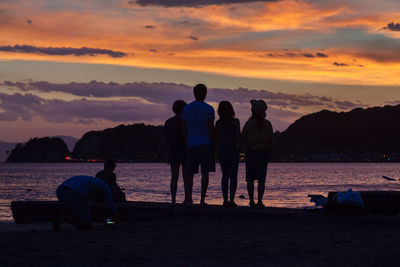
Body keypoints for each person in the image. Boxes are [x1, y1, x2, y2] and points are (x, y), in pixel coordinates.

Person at [182, 83, 216, 207]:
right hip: (206, 142)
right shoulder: (209, 108)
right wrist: (213, 143)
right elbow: (211, 128)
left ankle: (188, 199)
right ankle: (202, 200)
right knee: (205, 172)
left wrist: (186, 141)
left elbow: (185, 128)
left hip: (191, 143)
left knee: (189, 173)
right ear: (205, 93)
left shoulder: (187, 108)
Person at [54, 175, 119, 231]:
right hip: (73, 193)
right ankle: (65, 218)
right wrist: (115, 221)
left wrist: (107, 220)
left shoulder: (93, 184)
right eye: (101, 200)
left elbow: (87, 208)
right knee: (87, 225)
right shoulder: (105, 187)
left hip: (60, 191)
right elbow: (112, 206)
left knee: (81, 218)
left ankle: (63, 219)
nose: (98, 203)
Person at [242, 99, 273, 208]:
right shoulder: (268, 124)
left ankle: (251, 201)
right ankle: (259, 201)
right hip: (263, 153)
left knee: (250, 179)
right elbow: (271, 140)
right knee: (261, 179)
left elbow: (243, 137)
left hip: (251, 152)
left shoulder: (249, 123)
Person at [215, 101, 240, 207]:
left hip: (222, 150)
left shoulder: (218, 123)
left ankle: (225, 200)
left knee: (225, 176)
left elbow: (216, 137)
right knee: (233, 176)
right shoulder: (236, 121)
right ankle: (232, 200)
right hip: (233, 150)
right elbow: (238, 137)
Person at [164, 100, 187, 206]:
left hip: (173, 150)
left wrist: (167, 152)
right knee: (186, 176)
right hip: (184, 149)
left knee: (174, 176)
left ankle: (173, 199)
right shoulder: (186, 121)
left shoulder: (168, 122)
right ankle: (187, 198)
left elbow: (166, 139)